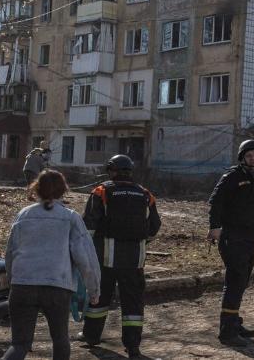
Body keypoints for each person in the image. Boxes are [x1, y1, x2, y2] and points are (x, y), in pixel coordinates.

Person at [2, 169, 101, 360]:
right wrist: (94, 290)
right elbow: (86, 259)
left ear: (36, 189)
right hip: (57, 287)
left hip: (22, 286)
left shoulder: (23, 215)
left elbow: (10, 253)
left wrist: (12, 280)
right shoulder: (70, 218)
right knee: (60, 340)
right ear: (63, 190)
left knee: (19, 344)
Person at [79, 154, 161, 359]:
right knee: (133, 302)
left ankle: (91, 336)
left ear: (111, 171)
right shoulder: (145, 194)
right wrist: (142, 242)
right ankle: (133, 346)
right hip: (135, 261)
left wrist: (84, 253)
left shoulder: (101, 191)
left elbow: (88, 226)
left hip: (105, 259)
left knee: (99, 297)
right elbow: (154, 226)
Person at [208, 139, 254, 347]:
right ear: (242, 158)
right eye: (248, 155)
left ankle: (234, 323)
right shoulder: (232, 176)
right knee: (235, 282)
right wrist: (215, 227)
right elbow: (215, 201)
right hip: (233, 238)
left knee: (241, 282)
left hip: (251, 238)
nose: (252, 158)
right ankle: (227, 333)